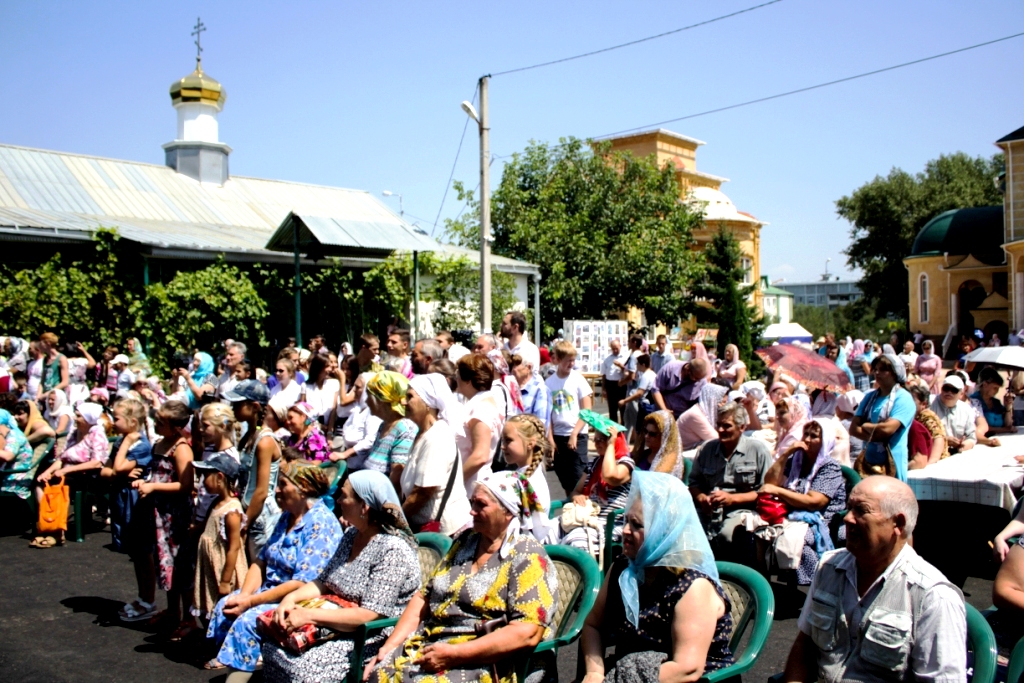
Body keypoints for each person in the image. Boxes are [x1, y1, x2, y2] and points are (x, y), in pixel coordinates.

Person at [366, 471, 559, 683]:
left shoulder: (527, 556)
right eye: (472, 502)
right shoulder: (466, 541)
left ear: (508, 512)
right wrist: (389, 647)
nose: (471, 511)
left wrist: (454, 655)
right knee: (379, 673)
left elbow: (527, 632)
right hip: (433, 644)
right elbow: (424, 597)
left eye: (481, 505)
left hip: (486, 659)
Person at [781, 476, 967, 682]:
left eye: (861, 510)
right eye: (849, 508)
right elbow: (805, 646)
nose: (847, 518)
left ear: (898, 523)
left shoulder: (932, 596)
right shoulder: (829, 567)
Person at [263, 471, 421, 683]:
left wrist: (308, 616)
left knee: (303, 666)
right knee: (273, 645)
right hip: (335, 619)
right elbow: (323, 582)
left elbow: (371, 615)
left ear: (364, 506)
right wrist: (289, 600)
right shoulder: (352, 535)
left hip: (371, 635)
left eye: (343, 496)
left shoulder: (392, 550)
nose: (338, 501)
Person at [580, 472, 734, 683]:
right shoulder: (623, 568)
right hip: (632, 675)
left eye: (637, 525)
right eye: (626, 521)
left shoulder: (692, 586)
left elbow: (687, 669)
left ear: (664, 532)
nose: (625, 530)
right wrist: (594, 672)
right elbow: (593, 626)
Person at [205, 460, 343, 674]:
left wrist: (251, 602)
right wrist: (245, 595)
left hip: (300, 599)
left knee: (248, 621)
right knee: (226, 606)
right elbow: (261, 562)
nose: (276, 490)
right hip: (269, 591)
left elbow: (302, 582)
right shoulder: (286, 516)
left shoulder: (321, 524)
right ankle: (244, 663)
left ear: (303, 489)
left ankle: (241, 672)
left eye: (283, 484)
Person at [132, 400, 196, 640]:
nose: (156, 424)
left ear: (177, 427)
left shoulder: (181, 448)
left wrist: (153, 486)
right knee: (166, 563)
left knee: (181, 565)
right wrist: (144, 481)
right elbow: (155, 472)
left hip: (176, 515)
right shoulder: (159, 444)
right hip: (159, 513)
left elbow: (186, 484)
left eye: (162, 422)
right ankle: (172, 611)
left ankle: (189, 617)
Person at [761, 419, 847, 584]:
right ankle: (764, 581)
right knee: (757, 529)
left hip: (822, 519)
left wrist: (780, 491)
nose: (806, 439)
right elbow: (770, 482)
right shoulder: (796, 460)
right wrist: (786, 454)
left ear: (824, 441)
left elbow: (815, 501)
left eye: (813, 436)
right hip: (794, 514)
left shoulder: (829, 467)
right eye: (805, 434)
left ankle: (811, 583)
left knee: (796, 541)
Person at [690, 402, 771, 560]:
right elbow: (694, 483)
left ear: (742, 427)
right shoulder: (706, 449)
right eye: (718, 425)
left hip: (742, 510)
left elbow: (766, 491)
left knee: (727, 535)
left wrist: (732, 499)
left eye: (726, 426)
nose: (720, 430)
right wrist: (702, 498)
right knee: (686, 531)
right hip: (709, 510)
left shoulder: (758, 450)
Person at [402, 373, 472, 534]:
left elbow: (422, 492)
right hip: (429, 528)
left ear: (427, 403)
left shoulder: (436, 437)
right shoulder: (424, 434)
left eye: (410, 397)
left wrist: (397, 521)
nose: (404, 402)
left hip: (446, 532)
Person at [104, 399, 155, 619]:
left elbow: (116, 466)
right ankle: (142, 595)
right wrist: (118, 474)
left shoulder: (140, 444)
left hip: (136, 502)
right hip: (122, 497)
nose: (113, 422)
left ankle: (149, 599)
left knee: (143, 551)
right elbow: (106, 471)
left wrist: (124, 446)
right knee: (135, 552)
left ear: (132, 422)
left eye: (116, 418)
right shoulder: (120, 443)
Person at [32, 402, 108, 546]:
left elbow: (96, 463)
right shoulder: (74, 432)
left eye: (79, 416)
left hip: (87, 474)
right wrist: (48, 472)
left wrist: (65, 471)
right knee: (41, 482)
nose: (75, 417)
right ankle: (48, 523)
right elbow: (62, 458)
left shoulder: (97, 434)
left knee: (58, 485)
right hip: (67, 471)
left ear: (87, 418)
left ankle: (57, 530)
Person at [560, 410, 634, 557]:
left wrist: (611, 446)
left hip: (610, 523)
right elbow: (576, 491)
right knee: (550, 530)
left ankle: (586, 577)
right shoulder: (594, 462)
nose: (597, 443)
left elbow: (609, 476)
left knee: (576, 541)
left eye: (602, 440)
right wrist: (577, 497)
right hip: (588, 517)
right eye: (596, 439)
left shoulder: (626, 463)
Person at [225, 380, 282, 560]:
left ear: (255, 406)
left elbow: (261, 491)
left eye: (238, 404)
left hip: (260, 518)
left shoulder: (264, 441)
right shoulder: (248, 436)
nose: (233, 407)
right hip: (248, 513)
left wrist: (244, 524)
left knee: (259, 571)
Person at [192, 453, 248, 625]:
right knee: (209, 605)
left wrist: (225, 580)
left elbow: (234, 547)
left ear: (220, 477)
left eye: (205, 476)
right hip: (211, 564)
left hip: (222, 566)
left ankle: (220, 644)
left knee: (222, 608)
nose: (202, 481)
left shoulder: (231, 511)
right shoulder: (217, 502)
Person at [849, 354, 916, 481]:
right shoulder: (869, 397)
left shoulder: (903, 398)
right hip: (868, 464)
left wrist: (866, 425)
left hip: (892, 464)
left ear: (895, 372)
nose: (877, 373)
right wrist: (877, 435)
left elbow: (887, 430)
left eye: (883, 369)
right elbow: (853, 429)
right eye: (875, 369)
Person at [545, 340, 594, 494]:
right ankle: (571, 512)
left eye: (573, 360)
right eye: (568, 361)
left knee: (579, 479)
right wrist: (550, 440)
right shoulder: (549, 383)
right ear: (558, 360)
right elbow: (548, 415)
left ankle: (582, 513)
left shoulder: (578, 380)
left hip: (576, 436)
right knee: (566, 481)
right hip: (559, 436)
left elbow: (587, 411)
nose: (572, 364)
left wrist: (574, 433)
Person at [500, 414, 553, 541]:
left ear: (530, 443)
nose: (503, 446)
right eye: (502, 441)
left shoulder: (530, 482)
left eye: (508, 440)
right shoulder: (523, 476)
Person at [455, 355, 503, 493]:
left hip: (470, 488)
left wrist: (454, 483)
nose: (456, 379)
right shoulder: (480, 403)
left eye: (458, 374)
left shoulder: (481, 408)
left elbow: (480, 456)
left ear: (468, 381)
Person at [363, 371, 418, 490]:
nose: (366, 401)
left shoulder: (405, 429)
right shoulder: (384, 425)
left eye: (369, 397)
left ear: (382, 400)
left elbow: (397, 476)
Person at [333, 372, 383, 465]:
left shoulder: (373, 412)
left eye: (358, 387)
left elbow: (369, 440)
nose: (354, 390)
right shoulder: (359, 408)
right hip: (351, 461)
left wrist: (345, 454)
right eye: (354, 387)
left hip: (362, 464)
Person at [0, 409, 40, 510]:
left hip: (16, 478)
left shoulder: (14, 436)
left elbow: (8, 456)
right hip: (7, 474)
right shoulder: (7, 436)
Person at [929, 375, 977, 454]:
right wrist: (944, 440)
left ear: (961, 394)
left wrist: (964, 445)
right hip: (932, 452)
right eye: (946, 388)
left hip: (956, 454)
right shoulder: (929, 403)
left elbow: (972, 437)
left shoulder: (966, 409)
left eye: (954, 390)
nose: (949, 392)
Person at [969, 366, 1015, 446]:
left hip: (1000, 440)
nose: (997, 391)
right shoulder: (973, 401)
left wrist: (1008, 407)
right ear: (985, 384)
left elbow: (1008, 425)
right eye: (994, 388)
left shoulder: (996, 402)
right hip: (982, 442)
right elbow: (977, 426)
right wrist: (1004, 430)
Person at [633, 410, 684, 479]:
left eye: (652, 434)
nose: (646, 436)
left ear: (665, 436)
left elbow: (654, 481)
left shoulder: (669, 459)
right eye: (646, 431)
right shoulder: (645, 453)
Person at [676, 382, 728, 450]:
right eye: (723, 402)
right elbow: (716, 440)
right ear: (712, 400)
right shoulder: (695, 415)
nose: (724, 405)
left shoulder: (705, 413)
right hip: (684, 453)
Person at [907, 384, 947, 470]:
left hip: (937, 463)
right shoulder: (913, 417)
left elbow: (938, 438)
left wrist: (931, 464)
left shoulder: (927, 416)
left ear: (923, 404)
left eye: (911, 400)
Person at [621, 353, 656, 442]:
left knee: (641, 430)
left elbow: (639, 393)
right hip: (652, 405)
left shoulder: (645, 376)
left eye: (637, 364)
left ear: (643, 365)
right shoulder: (653, 374)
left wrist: (625, 401)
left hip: (645, 406)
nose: (636, 366)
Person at [510, 353, 550, 428]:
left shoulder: (540, 390)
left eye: (516, 365)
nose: (513, 369)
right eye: (512, 365)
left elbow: (541, 424)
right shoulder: (510, 388)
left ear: (528, 367)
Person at [301, 354, 340, 424]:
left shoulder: (334, 384)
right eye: (327, 366)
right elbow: (303, 410)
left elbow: (334, 409)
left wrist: (329, 431)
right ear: (319, 367)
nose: (330, 369)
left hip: (330, 426)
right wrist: (315, 425)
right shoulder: (305, 386)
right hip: (312, 427)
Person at [601, 339, 631, 424]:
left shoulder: (625, 357)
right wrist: (604, 388)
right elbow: (604, 374)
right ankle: (613, 430)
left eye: (616, 348)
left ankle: (623, 429)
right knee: (612, 409)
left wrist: (620, 366)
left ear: (620, 347)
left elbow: (628, 372)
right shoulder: (607, 359)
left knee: (623, 408)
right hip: (610, 384)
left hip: (621, 384)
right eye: (613, 349)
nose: (615, 350)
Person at [774, 395, 809, 460]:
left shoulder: (795, 435)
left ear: (794, 413)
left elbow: (778, 460)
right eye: (777, 413)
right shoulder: (788, 431)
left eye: (782, 413)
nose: (777, 417)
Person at [39, 332, 69, 398]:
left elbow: (65, 382)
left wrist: (48, 394)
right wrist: (38, 396)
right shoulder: (45, 359)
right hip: (45, 395)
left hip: (56, 396)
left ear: (48, 343)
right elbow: (42, 381)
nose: (39, 344)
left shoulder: (61, 359)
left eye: (41, 342)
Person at [65, 341, 96, 406]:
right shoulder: (82, 361)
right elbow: (93, 363)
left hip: (68, 388)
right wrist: (83, 351)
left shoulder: (64, 361)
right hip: (81, 388)